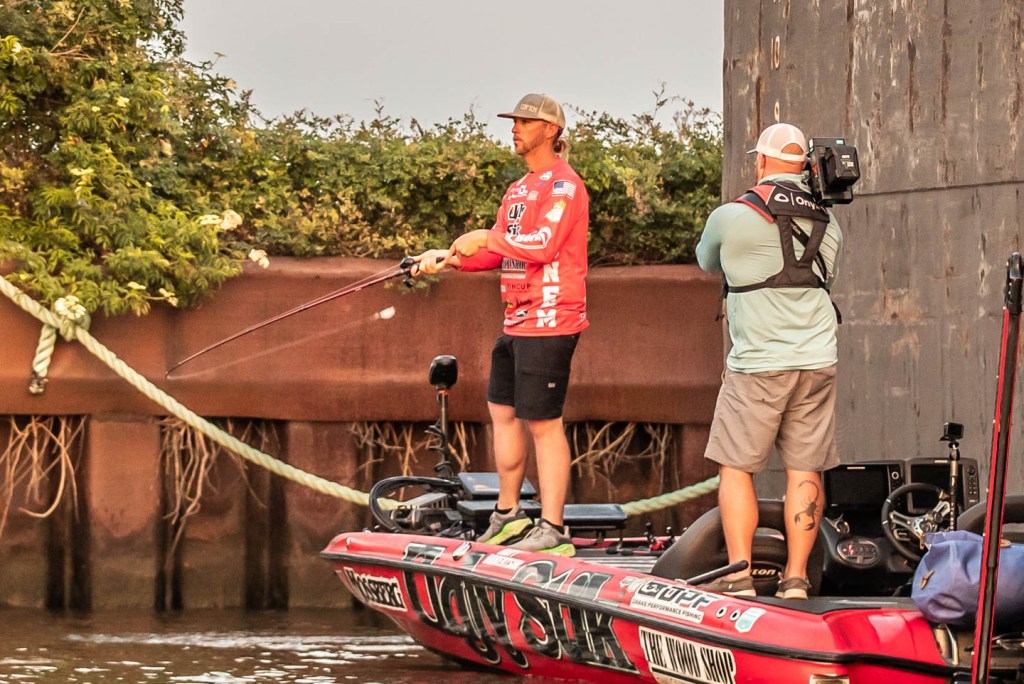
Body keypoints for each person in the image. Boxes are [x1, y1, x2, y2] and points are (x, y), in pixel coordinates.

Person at [413, 93, 589, 557]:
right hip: (515, 319)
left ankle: (553, 528)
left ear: (550, 130)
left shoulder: (565, 186)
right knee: (502, 413)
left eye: (525, 122)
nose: (515, 128)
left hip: (551, 319)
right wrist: (449, 259)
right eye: (514, 121)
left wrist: (485, 238)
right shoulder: (518, 189)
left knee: (544, 423)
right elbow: (500, 251)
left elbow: (543, 245)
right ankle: (508, 515)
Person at [695, 122, 844, 599]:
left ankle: (740, 576)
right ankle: (796, 579)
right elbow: (825, 280)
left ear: (760, 162)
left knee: (737, 467)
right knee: (805, 469)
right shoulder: (829, 223)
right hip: (817, 361)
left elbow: (707, 261)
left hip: (757, 365)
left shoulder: (731, 216)